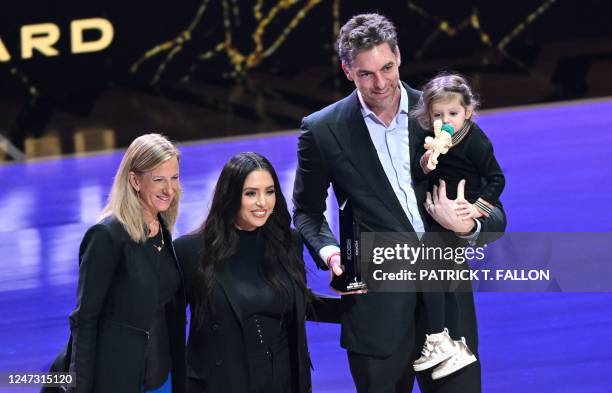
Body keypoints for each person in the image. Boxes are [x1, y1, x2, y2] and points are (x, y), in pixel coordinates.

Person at [292, 13, 506, 393]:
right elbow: (307, 211)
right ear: (347, 71)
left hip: (447, 314)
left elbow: (493, 204)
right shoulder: (322, 130)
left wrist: (469, 225)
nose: (380, 83)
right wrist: (330, 253)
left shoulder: (442, 114)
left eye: (387, 68)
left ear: (399, 56)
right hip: (376, 313)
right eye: (366, 74)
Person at [174, 152, 313, 393]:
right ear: (230, 196)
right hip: (223, 382)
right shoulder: (191, 250)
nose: (263, 202)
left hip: (284, 381)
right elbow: (166, 324)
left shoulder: (288, 242)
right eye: (251, 193)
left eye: (269, 191)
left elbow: (296, 304)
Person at [65, 133, 186, 393]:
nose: (169, 189)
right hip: (118, 379)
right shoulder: (106, 236)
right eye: (159, 179)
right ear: (134, 180)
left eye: (174, 177)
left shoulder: (161, 225)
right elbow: (85, 320)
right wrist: (80, 387)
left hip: (162, 377)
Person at [410, 73, 506, 380]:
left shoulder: (475, 140)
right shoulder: (431, 138)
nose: (446, 119)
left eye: (453, 113)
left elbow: (496, 178)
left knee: (437, 273)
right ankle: (446, 341)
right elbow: (419, 171)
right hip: (433, 215)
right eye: (438, 115)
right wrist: (426, 163)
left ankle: (444, 339)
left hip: (459, 212)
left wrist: (475, 211)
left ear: (468, 111)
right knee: (435, 273)